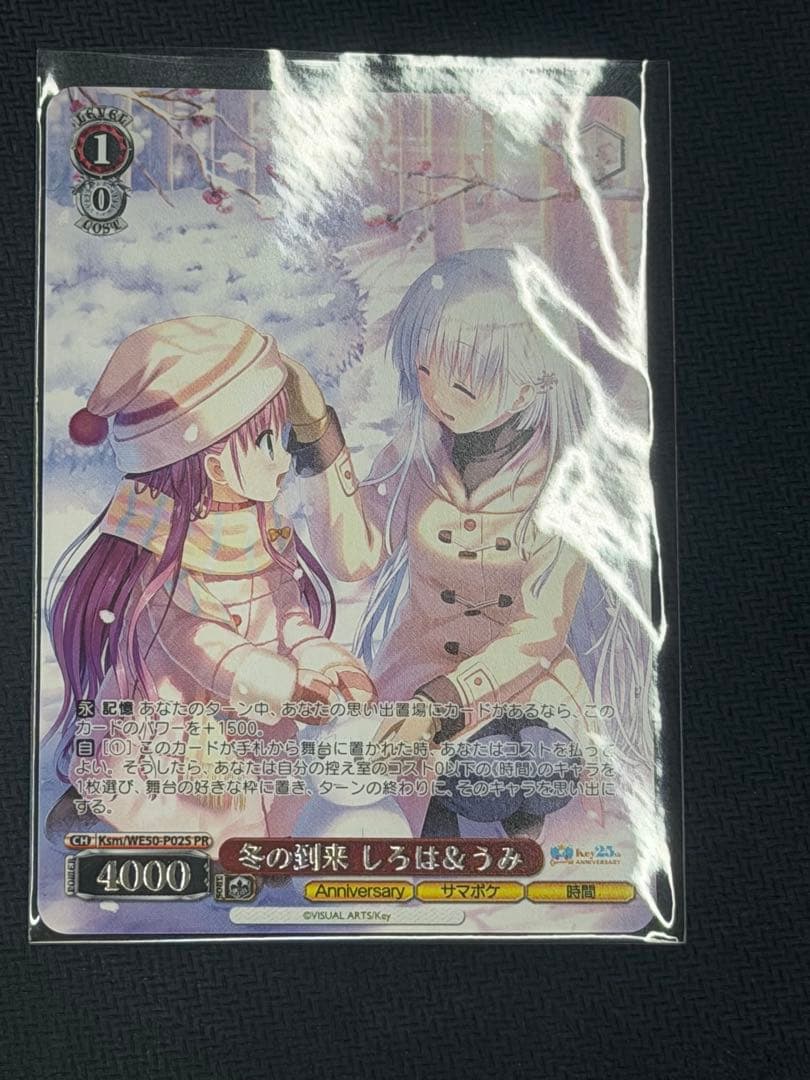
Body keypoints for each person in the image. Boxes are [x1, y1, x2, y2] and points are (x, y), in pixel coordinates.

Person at [284, 248, 652, 837]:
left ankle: (504, 810)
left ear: (533, 381)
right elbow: (354, 555)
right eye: (425, 371)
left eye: (463, 383)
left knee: (520, 766)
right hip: (414, 676)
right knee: (401, 781)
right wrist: (316, 436)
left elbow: (538, 631)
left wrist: (443, 706)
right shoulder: (413, 458)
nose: (437, 397)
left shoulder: (567, 482)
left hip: (525, 686)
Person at [46, 315, 373, 840]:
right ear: (216, 466)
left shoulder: (266, 527)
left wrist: (325, 661)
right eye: (268, 442)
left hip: (260, 712)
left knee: (271, 818)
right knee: (168, 815)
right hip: (180, 714)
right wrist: (277, 683)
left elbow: (287, 611)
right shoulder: (162, 540)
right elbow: (190, 637)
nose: (284, 460)